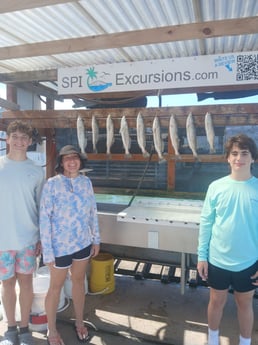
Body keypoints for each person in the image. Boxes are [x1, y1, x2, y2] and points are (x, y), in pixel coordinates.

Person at [197, 134, 258, 345]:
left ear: (253, 158)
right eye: (234, 153)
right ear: (228, 158)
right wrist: (201, 256)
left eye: (244, 153)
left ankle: (245, 342)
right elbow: (206, 223)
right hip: (217, 259)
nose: (239, 158)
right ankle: (212, 340)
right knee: (216, 301)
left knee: (245, 304)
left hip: (249, 261)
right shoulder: (216, 187)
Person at [40, 145, 100, 345]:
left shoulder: (86, 182)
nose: (72, 161)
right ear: (61, 163)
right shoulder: (52, 184)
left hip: (83, 243)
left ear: (80, 161)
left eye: (75, 158)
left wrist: (96, 239)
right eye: (67, 158)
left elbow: (93, 211)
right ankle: (52, 330)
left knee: (78, 281)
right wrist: (47, 252)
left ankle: (80, 322)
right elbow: (44, 219)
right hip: (58, 247)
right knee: (55, 288)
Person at [0, 120, 45, 345]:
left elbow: (41, 209)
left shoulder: (37, 172)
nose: (19, 141)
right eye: (14, 136)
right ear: (7, 139)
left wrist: (41, 239)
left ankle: (25, 327)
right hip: (2, 240)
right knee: (7, 284)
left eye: (23, 138)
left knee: (26, 283)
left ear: (29, 142)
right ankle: (10, 328)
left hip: (28, 239)